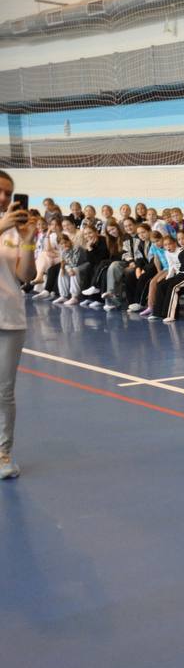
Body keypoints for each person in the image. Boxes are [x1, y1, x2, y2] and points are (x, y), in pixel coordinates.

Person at [0, 171, 38, 478]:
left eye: (9, 193)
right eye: (0, 191)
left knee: (4, 391)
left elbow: (26, 276)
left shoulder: (15, 231)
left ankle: (3, 453)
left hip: (10, 318)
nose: (4, 198)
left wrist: (27, 242)